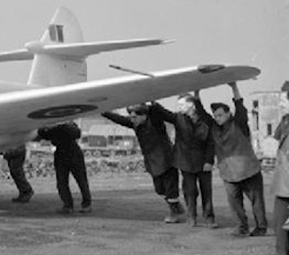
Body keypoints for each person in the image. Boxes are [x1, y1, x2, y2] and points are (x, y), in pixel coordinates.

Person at [101, 103, 186, 223]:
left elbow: (157, 111)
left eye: (135, 117)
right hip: (152, 161)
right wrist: (103, 112)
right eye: (131, 117)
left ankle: (174, 213)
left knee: (170, 189)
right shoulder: (135, 124)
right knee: (159, 189)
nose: (132, 119)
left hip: (167, 160)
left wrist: (151, 102)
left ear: (144, 116)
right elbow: (119, 119)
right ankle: (176, 206)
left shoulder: (156, 123)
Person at [202, 82, 267, 237]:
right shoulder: (214, 128)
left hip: (248, 170)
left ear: (228, 114)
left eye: (220, 115)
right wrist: (197, 93)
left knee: (256, 200)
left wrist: (234, 87)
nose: (217, 118)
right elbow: (201, 113)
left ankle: (261, 227)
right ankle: (241, 227)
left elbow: (240, 106)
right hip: (229, 172)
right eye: (215, 116)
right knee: (234, 203)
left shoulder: (239, 123)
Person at [152, 93, 216, 227]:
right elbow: (164, 113)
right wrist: (153, 102)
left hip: (203, 162)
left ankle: (209, 218)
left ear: (191, 105)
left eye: (181, 104)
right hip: (186, 162)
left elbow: (211, 142)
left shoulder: (206, 119)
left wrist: (209, 161)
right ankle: (191, 217)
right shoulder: (178, 118)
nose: (179, 107)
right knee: (190, 191)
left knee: (206, 192)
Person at [37, 122, 91, 214]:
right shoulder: (69, 126)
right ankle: (83, 204)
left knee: (66, 181)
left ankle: (69, 205)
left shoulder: (56, 128)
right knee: (79, 180)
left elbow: (43, 133)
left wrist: (44, 127)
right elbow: (77, 133)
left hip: (64, 153)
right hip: (72, 153)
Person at [268, 112, 289, 255]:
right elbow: (277, 138)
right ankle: (281, 252)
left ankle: (282, 252)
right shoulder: (286, 120)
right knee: (280, 220)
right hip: (284, 181)